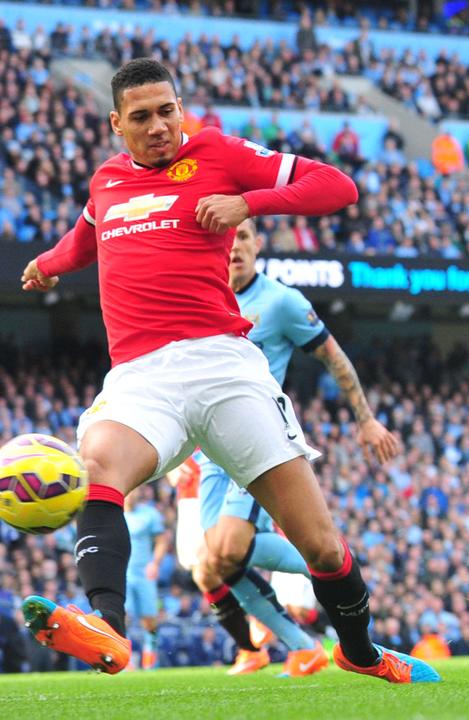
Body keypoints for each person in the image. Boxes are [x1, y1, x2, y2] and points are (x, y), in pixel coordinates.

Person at [18, 58, 439, 684]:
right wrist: (50, 263)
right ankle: (107, 624)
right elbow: (88, 238)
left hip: (224, 366)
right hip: (140, 375)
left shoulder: (217, 152)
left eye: (168, 110)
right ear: (116, 125)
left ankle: (358, 649)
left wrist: (248, 202)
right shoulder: (107, 182)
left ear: (181, 108)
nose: (160, 126)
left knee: (320, 544)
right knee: (100, 466)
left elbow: (338, 187)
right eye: (142, 117)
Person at [192, 217, 401, 677]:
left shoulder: (281, 301)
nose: (235, 248)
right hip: (208, 450)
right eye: (228, 239)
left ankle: (331, 567)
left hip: (256, 442)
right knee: (208, 568)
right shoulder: (199, 296)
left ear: (258, 244)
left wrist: (366, 421)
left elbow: (333, 355)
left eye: (244, 237)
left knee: (227, 547)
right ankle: (301, 646)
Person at [123, 489, 168, 670]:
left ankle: (150, 659)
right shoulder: (114, 515)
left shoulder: (150, 514)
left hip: (144, 572)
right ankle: (125, 660)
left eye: (134, 492)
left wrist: (155, 563)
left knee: (149, 619)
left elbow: (162, 541)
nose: (131, 496)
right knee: (122, 615)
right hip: (123, 572)